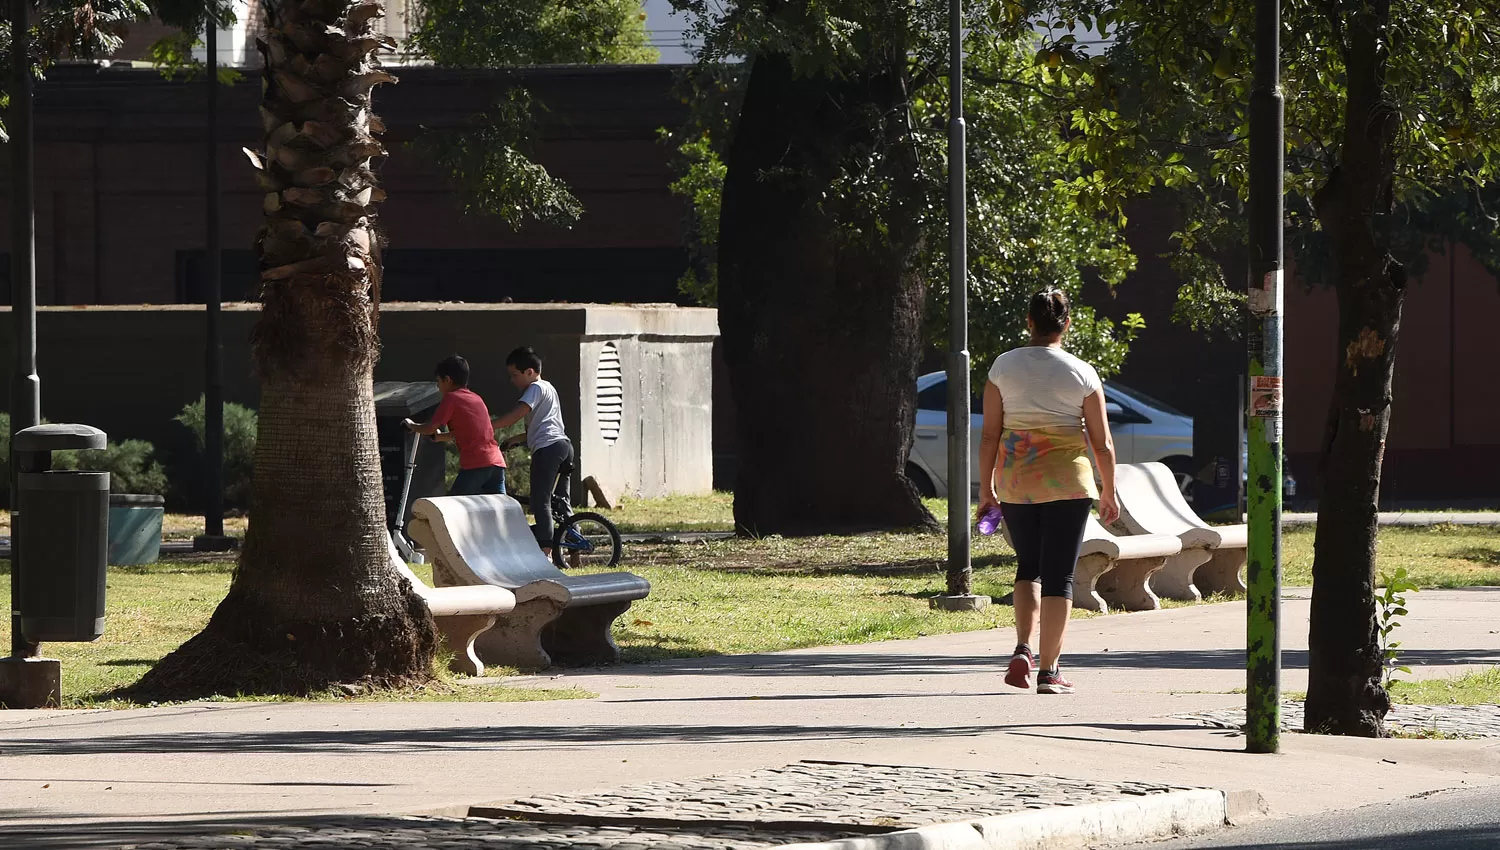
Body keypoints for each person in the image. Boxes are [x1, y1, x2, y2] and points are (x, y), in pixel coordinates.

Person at [977, 290, 1119, 695]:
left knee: (1029, 566)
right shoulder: (1082, 372)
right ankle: (1050, 670)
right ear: (1066, 325)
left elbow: (989, 435)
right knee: (1060, 575)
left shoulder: (1003, 366)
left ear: (1029, 322)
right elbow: (1102, 442)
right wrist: (1109, 491)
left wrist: (987, 488)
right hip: (1068, 484)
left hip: (1015, 481)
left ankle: (1023, 648)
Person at [492, 346, 574, 553]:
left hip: (548, 449)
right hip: (563, 446)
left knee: (541, 502)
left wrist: (489, 425)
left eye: (515, 375)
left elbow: (516, 415)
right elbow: (534, 430)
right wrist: (514, 440)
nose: (512, 380)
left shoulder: (535, 388)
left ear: (530, 371)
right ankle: (575, 552)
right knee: (562, 503)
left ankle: (545, 552)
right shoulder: (549, 388)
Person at [405, 355, 507, 496]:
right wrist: (440, 437)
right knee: (498, 509)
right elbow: (470, 431)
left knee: (455, 506)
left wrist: (412, 426)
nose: (438, 386)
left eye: (438, 382)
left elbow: (430, 427)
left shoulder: (451, 398)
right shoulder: (476, 398)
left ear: (448, 380)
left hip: (476, 464)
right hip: (496, 463)